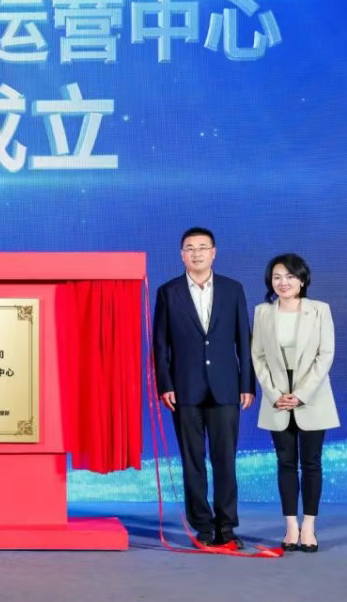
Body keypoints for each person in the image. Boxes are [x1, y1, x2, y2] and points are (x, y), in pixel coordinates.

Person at [153, 227, 255, 549]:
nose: (196, 253)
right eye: (190, 248)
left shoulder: (232, 289)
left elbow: (244, 340)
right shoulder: (168, 292)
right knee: (192, 461)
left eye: (202, 247)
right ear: (182, 255)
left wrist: (247, 384)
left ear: (214, 252)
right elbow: (160, 344)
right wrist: (165, 384)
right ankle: (203, 525)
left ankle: (227, 525)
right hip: (184, 389)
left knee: (225, 460)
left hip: (226, 387)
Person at [252, 253, 338, 553]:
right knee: (285, 463)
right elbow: (257, 356)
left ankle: (309, 526)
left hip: (311, 395)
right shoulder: (262, 312)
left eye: (290, 276)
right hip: (277, 395)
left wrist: (301, 394)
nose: (283, 282)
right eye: (277, 277)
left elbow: (325, 355)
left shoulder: (320, 310)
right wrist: (274, 393)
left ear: (302, 280)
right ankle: (291, 526)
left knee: (311, 463)